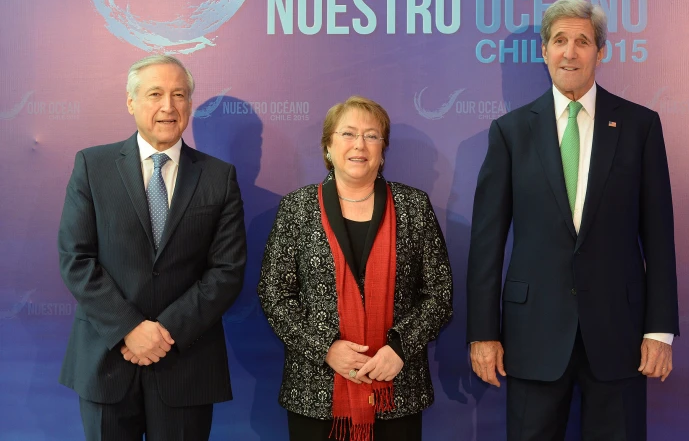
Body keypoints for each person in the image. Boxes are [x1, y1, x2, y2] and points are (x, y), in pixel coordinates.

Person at [466, 0, 679, 440]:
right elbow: (487, 243)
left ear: (601, 52)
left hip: (619, 336)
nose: (570, 51)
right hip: (532, 335)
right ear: (543, 51)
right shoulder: (509, 132)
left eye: (582, 41)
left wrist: (660, 330)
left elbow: (659, 236)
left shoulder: (640, 126)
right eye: (560, 40)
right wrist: (483, 334)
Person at [58, 55, 247, 441]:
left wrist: (164, 332)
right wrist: (129, 328)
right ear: (131, 102)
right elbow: (76, 259)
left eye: (179, 94)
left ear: (190, 105)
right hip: (106, 360)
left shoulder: (218, 177)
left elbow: (226, 271)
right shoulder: (93, 166)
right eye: (155, 94)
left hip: (186, 363)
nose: (168, 106)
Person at [258, 96, 453, 441]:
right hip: (316, 393)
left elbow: (439, 293)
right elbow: (274, 294)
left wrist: (399, 348)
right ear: (328, 147)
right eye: (347, 134)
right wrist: (326, 348)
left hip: (396, 390)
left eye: (371, 135)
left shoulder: (414, 206)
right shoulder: (297, 209)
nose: (359, 145)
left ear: (383, 149)